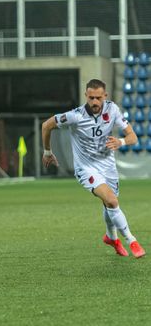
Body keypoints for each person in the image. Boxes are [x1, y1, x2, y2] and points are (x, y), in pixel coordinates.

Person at [41, 79, 145, 258]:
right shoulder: (76, 115)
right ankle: (131, 240)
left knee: (110, 204)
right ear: (86, 96)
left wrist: (120, 141)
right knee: (112, 201)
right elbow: (46, 125)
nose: (95, 102)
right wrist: (47, 151)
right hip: (86, 168)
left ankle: (111, 237)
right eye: (91, 98)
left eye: (98, 98)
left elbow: (133, 137)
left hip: (108, 166)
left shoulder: (112, 110)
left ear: (105, 96)